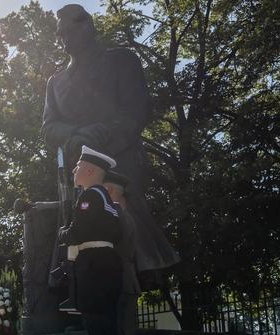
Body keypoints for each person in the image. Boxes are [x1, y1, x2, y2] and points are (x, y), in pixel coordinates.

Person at [42, 3, 179, 274]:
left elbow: (136, 110)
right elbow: (48, 129)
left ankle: (146, 264)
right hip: (79, 170)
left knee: (126, 227)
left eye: (69, 30)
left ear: (88, 26)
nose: (64, 38)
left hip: (121, 160)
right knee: (80, 239)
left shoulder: (121, 60)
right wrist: (77, 134)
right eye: (60, 33)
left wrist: (102, 137)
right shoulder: (55, 83)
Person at [58, 146, 126, 335]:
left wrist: (64, 231)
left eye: (77, 167)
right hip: (104, 265)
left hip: (94, 267)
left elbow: (79, 232)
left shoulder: (90, 196)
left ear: (88, 170)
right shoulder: (106, 199)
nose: (74, 171)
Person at [103, 169, 143, 335]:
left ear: (109, 191)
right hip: (117, 283)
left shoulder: (116, 213)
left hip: (120, 284)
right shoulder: (119, 214)